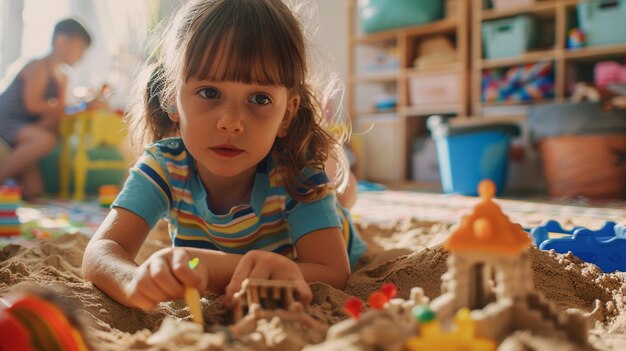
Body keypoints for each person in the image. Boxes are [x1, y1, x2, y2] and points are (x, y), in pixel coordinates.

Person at [82, 0, 366, 312]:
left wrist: (211, 268)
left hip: (325, 206)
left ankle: (340, 174)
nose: (231, 122)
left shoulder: (298, 172)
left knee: (342, 194)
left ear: (287, 113)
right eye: (209, 93)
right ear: (172, 99)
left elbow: (333, 271)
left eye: (259, 98)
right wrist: (132, 281)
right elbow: (103, 250)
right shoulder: (164, 167)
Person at [0, 18, 96, 199]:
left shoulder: (61, 77)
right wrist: (78, 104)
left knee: (34, 190)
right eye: (80, 48)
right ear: (61, 42)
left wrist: (84, 105)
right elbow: (33, 104)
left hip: (25, 126)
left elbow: (57, 112)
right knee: (46, 140)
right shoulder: (38, 66)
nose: (81, 56)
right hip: (6, 119)